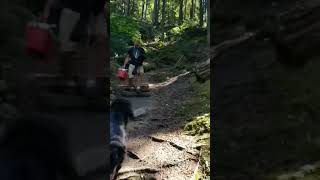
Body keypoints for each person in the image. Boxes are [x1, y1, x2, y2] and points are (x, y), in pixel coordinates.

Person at [42, 0, 107, 98]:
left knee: (99, 41)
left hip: (95, 12)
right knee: (67, 49)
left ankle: (92, 81)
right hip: (73, 10)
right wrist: (47, 10)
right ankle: (70, 80)